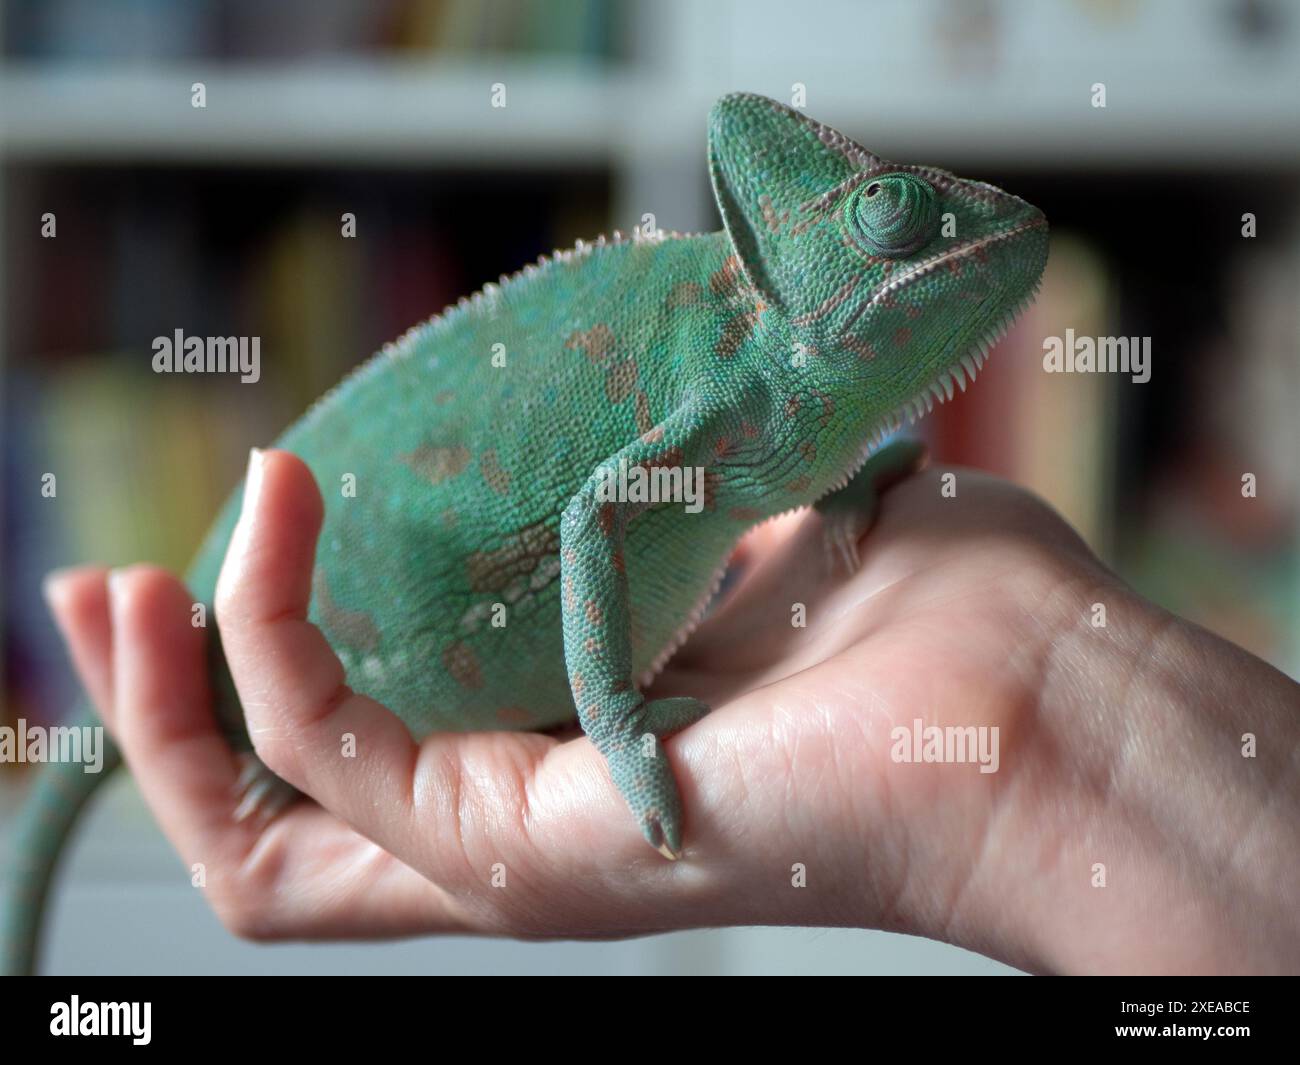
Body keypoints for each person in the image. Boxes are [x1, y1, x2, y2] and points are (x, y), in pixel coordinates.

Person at [44, 448, 1300, 973]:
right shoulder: (731, 348)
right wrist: (613, 722)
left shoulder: (781, 400)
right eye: (885, 228)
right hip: (346, 620)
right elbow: (595, 514)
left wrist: (1058, 713)